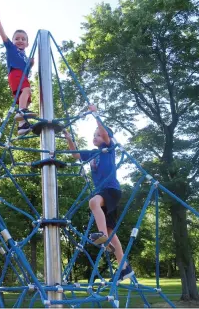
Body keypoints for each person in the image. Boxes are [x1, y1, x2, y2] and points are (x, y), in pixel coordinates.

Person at [63, 104, 134, 282]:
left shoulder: (109, 150)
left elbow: (104, 133)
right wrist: (68, 137)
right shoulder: (93, 154)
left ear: (106, 137)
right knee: (111, 231)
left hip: (111, 190)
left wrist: (96, 116)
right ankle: (124, 267)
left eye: (98, 134)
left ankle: (101, 234)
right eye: (93, 134)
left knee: (93, 202)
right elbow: (75, 155)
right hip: (105, 193)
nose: (95, 136)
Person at [0, 8, 36, 136]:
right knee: (26, 90)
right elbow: (3, 35)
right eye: (17, 38)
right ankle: (21, 111)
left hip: (21, 75)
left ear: (27, 44)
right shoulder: (11, 48)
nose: (20, 41)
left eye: (23, 39)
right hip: (15, 74)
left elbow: (26, 69)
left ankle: (22, 126)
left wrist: (31, 65)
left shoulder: (25, 57)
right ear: (13, 41)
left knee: (27, 99)